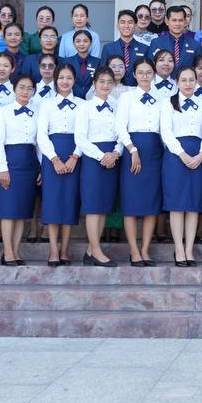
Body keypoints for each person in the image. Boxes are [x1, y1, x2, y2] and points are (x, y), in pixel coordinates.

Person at [117, 57, 163, 266]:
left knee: (151, 203)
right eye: (141, 72)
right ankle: (133, 251)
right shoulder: (126, 98)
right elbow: (120, 127)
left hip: (155, 151)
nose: (145, 76)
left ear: (153, 74)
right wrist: (132, 149)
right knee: (132, 203)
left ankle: (145, 250)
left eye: (148, 72)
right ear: (134, 75)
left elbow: (165, 129)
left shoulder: (163, 97)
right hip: (133, 149)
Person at [76, 66, 124, 267]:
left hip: (112, 158)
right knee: (93, 206)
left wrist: (116, 153)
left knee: (104, 206)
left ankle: (90, 252)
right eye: (101, 82)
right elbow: (80, 138)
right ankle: (96, 251)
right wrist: (101, 155)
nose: (105, 85)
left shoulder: (117, 105)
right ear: (94, 84)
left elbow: (122, 132)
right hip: (94, 159)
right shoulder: (84, 107)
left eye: (109, 82)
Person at [161, 66, 202, 266]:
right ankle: (178, 249)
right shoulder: (168, 103)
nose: (188, 84)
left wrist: (200, 154)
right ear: (177, 82)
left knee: (193, 206)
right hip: (175, 157)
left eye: (192, 80)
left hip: (198, 156)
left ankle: (189, 250)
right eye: (184, 80)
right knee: (177, 205)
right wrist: (181, 154)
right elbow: (166, 131)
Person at [38, 63, 81, 267]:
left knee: (69, 202)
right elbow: (41, 135)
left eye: (69, 78)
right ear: (56, 80)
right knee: (53, 203)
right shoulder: (46, 105)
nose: (65, 81)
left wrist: (74, 156)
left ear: (74, 81)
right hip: (52, 157)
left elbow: (84, 135)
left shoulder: (82, 104)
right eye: (61, 78)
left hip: (74, 156)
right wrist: (54, 159)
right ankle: (53, 249)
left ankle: (65, 249)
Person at [0, 75, 38, 265]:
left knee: (23, 210)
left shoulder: (37, 111)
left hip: (30, 162)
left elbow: (39, 143)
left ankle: (16, 250)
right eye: (21, 87)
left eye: (29, 88)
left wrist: (41, 167)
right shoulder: (3, 112)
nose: (25, 91)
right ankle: (7, 251)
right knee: (9, 209)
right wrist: (3, 169)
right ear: (14, 89)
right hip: (10, 161)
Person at [101, 9, 149, 86]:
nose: (126, 26)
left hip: (136, 90)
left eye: (130, 22)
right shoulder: (108, 48)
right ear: (118, 26)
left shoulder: (144, 49)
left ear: (135, 26)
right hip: (113, 90)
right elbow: (103, 72)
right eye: (122, 22)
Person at [151, 6, 199, 70]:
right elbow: (151, 67)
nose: (177, 24)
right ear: (167, 21)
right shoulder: (156, 43)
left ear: (185, 22)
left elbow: (198, 68)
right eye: (174, 20)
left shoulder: (195, 45)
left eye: (180, 20)